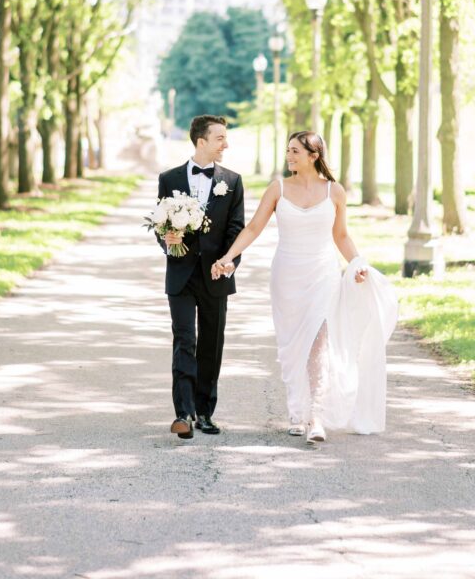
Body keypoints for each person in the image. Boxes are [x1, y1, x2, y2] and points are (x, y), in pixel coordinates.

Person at [212, 130, 398, 444]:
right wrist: (228, 257)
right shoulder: (278, 188)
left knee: (318, 346)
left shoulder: (334, 191)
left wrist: (357, 262)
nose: (289, 156)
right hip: (287, 276)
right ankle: (297, 412)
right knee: (291, 347)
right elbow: (254, 227)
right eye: (288, 150)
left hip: (323, 274)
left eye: (295, 151)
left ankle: (316, 416)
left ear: (314, 155)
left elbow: (341, 235)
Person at [157, 115, 245, 440]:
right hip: (180, 274)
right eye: (220, 138)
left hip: (216, 274)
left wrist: (229, 262)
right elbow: (161, 223)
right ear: (201, 141)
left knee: (211, 342)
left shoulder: (232, 181)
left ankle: (205, 412)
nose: (226, 144)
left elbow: (236, 229)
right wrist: (167, 240)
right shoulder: (169, 178)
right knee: (184, 340)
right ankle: (183, 414)